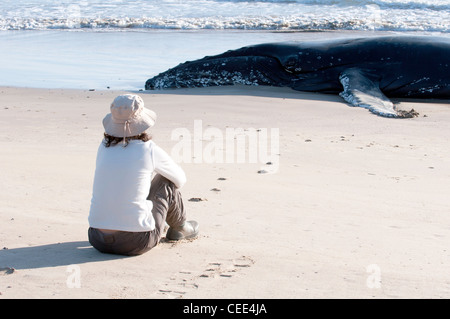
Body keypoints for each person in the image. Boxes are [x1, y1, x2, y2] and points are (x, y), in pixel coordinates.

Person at [88, 94, 199, 256]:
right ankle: (180, 228)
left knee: (123, 182)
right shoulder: (147, 149)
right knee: (165, 180)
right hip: (136, 241)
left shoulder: (103, 147)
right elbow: (179, 179)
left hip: (96, 238)